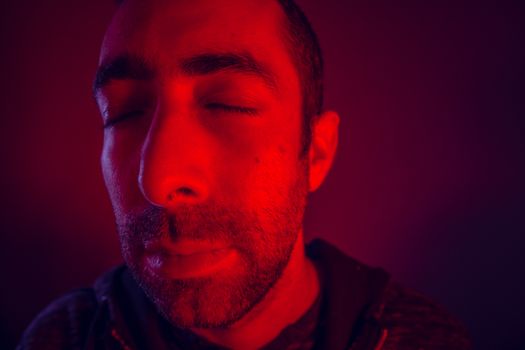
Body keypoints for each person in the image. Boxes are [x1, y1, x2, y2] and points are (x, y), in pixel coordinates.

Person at [18, 0, 472, 349]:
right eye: (123, 113)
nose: (157, 182)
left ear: (315, 153)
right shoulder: (64, 338)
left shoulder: (420, 339)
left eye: (226, 105)